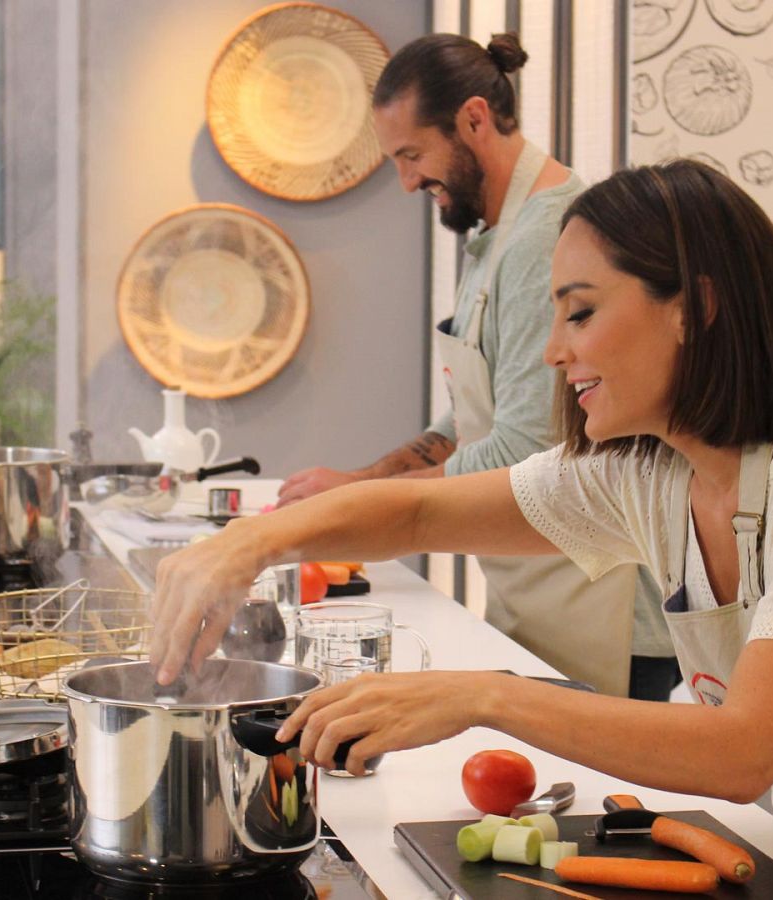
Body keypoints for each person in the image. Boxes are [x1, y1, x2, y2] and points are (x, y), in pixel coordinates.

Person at [152, 160, 773, 898]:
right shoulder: (655, 473)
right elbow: (423, 508)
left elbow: (745, 750)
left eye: (582, 313)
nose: (556, 351)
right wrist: (243, 545)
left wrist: (490, 694)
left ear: (698, 305)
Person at [273, 31, 677, 700]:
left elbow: (527, 446)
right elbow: (471, 417)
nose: (406, 182)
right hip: (545, 594)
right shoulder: (497, 237)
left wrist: (375, 507)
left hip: (600, 612)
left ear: (473, 120)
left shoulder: (542, 237)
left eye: (412, 155)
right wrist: (359, 482)